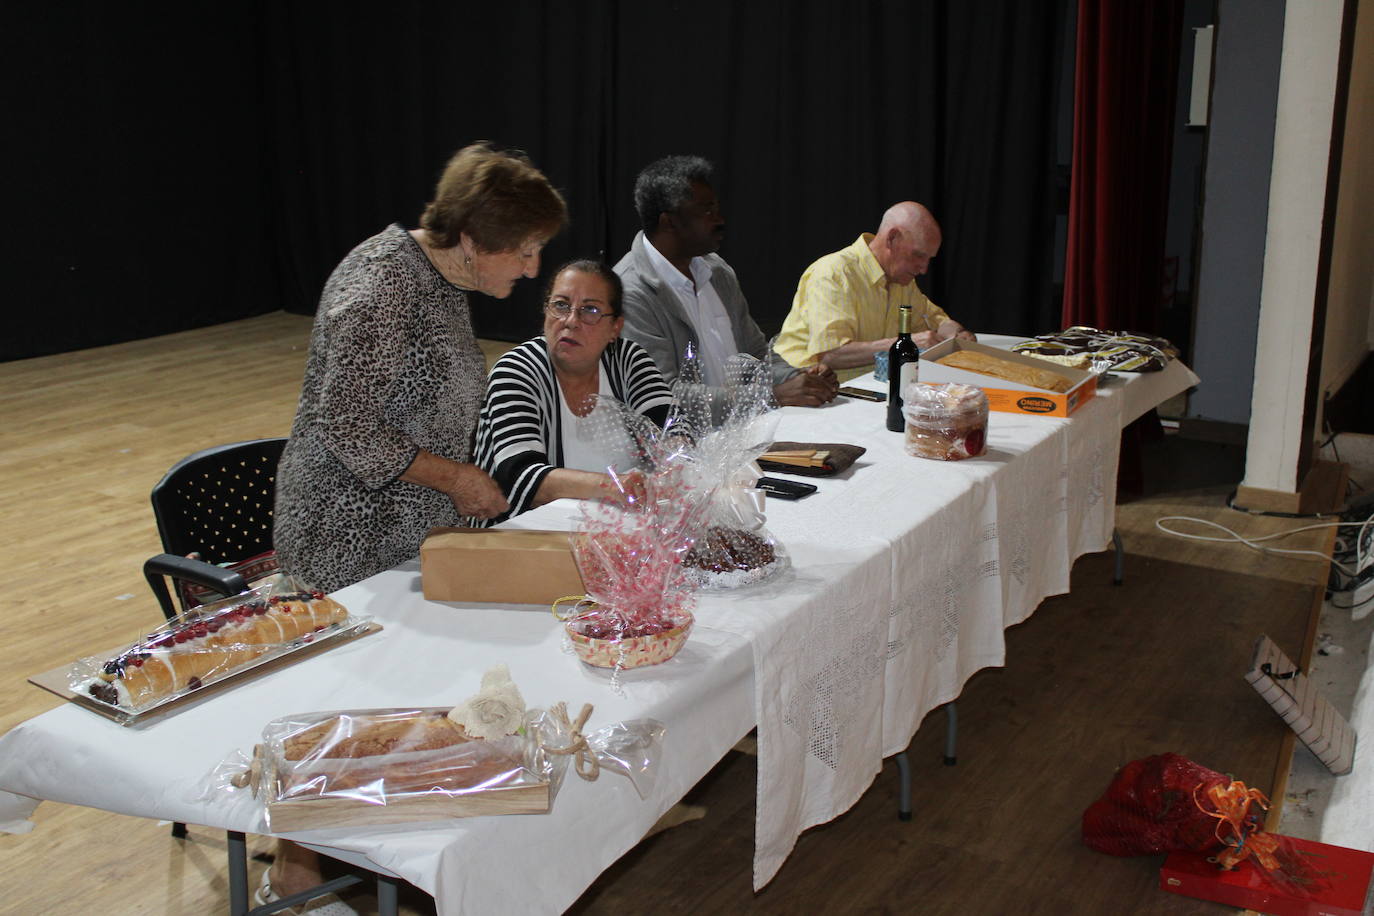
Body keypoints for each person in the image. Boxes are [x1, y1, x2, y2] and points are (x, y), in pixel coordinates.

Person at [268, 141, 566, 911]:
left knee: (416, 685)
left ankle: (396, 840)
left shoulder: (440, 274)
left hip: (406, 523)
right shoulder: (381, 288)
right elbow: (349, 428)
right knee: (350, 698)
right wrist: (457, 477)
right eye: (525, 252)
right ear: (472, 239)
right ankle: (294, 872)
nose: (533, 270)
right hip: (344, 529)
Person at [613, 155, 837, 416]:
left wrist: (800, 378)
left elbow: (756, 356)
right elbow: (663, 394)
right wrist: (772, 397)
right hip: (684, 449)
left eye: (716, 207)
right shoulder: (630, 292)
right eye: (706, 210)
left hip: (745, 432)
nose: (719, 219)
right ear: (669, 222)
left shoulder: (717, 272)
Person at [473, 260, 674, 524]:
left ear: (615, 327)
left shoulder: (628, 360)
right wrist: (614, 487)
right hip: (524, 542)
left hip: (620, 539)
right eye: (561, 305)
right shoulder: (516, 371)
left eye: (590, 310)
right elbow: (520, 477)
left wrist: (679, 463)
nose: (571, 321)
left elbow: (672, 429)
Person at [773, 201, 975, 381]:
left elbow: (934, 319)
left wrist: (954, 332)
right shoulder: (834, 274)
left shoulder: (901, 279)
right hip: (805, 389)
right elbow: (832, 355)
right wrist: (906, 343)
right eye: (918, 255)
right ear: (892, 238)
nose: (923, 268)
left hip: (863, 387)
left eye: (928, 259)